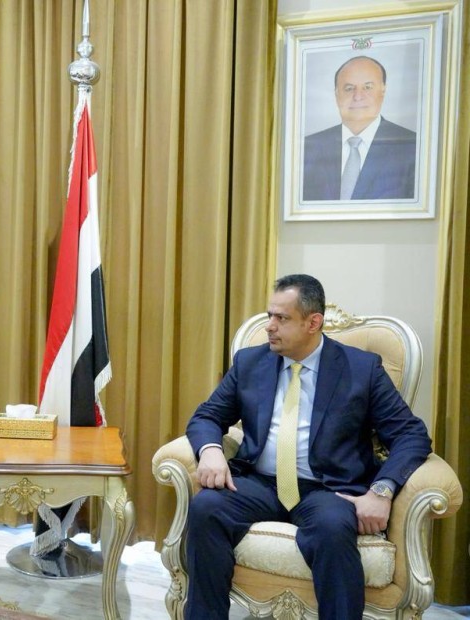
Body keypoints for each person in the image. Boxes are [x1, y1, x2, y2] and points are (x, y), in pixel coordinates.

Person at [184, 274, 431, 620]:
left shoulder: (361, 369)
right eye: (269, 315)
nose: (269, 326)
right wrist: (211, 450)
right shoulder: (250, 362)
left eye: (281, 318)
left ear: (313, 323)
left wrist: (382, 490)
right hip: (259, 483)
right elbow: (207, 415)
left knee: (332, 528)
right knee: (206, 507)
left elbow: (411, 434)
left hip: (328, 489)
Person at [302, 56, 417, 201]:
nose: (357, 96)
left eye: (367, 87)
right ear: (337, 94)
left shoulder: (412, 147)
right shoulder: (307, 148)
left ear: (383, 90)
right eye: (349, 88)